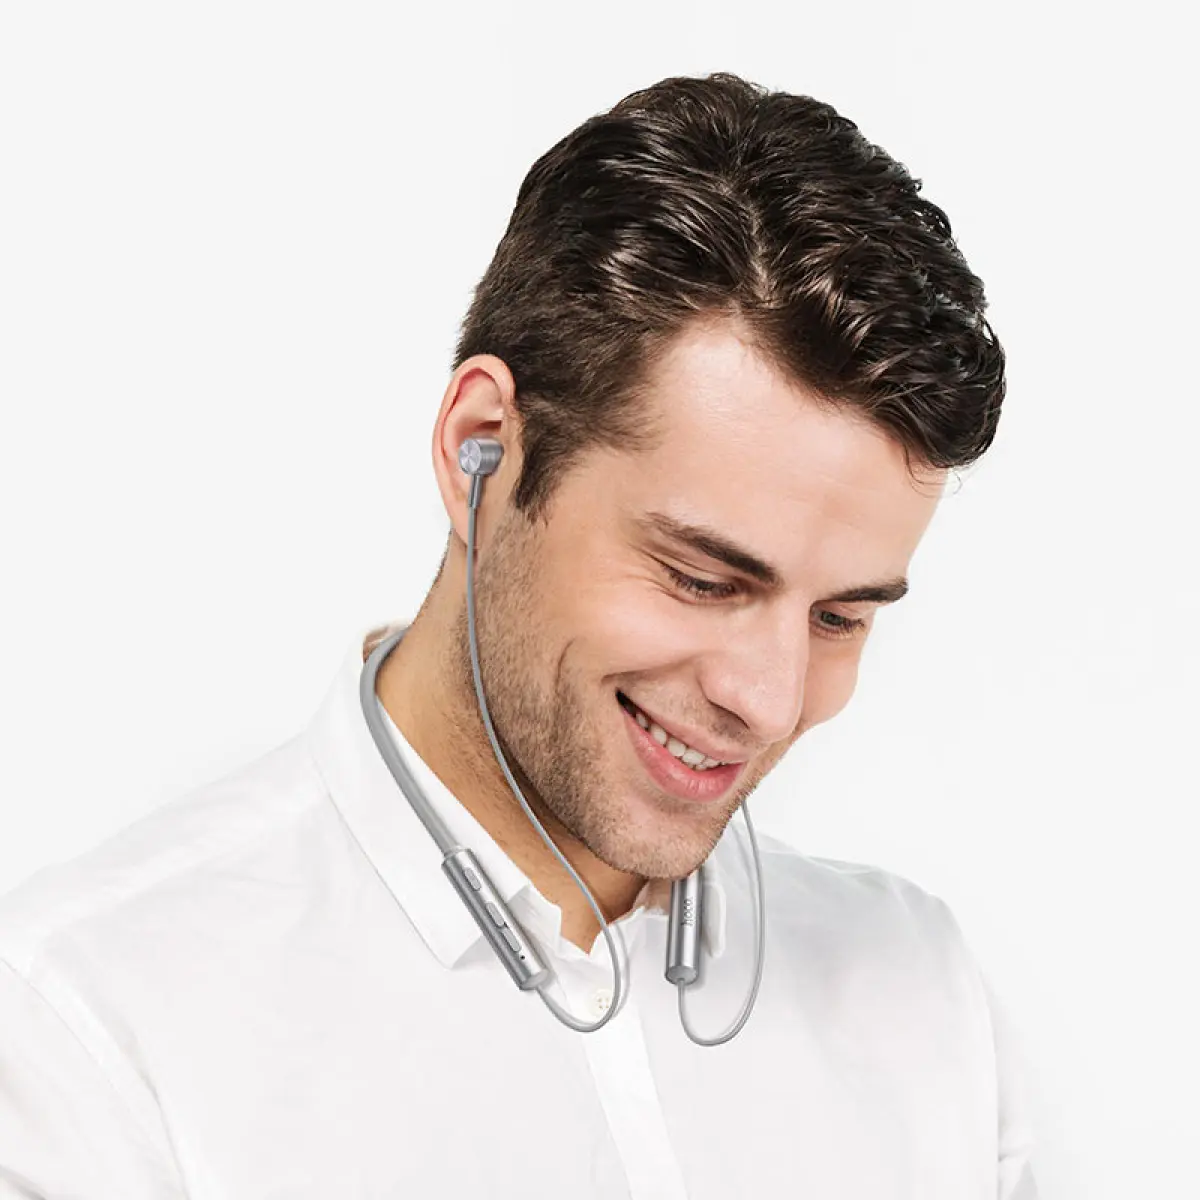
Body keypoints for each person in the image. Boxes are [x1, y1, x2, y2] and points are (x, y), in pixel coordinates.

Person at [0, 72, 1038, 1198]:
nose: (771, 698)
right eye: (701, 579)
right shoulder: (87, 1029)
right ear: (482, 453)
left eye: (841, 616)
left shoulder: (924, 1000)